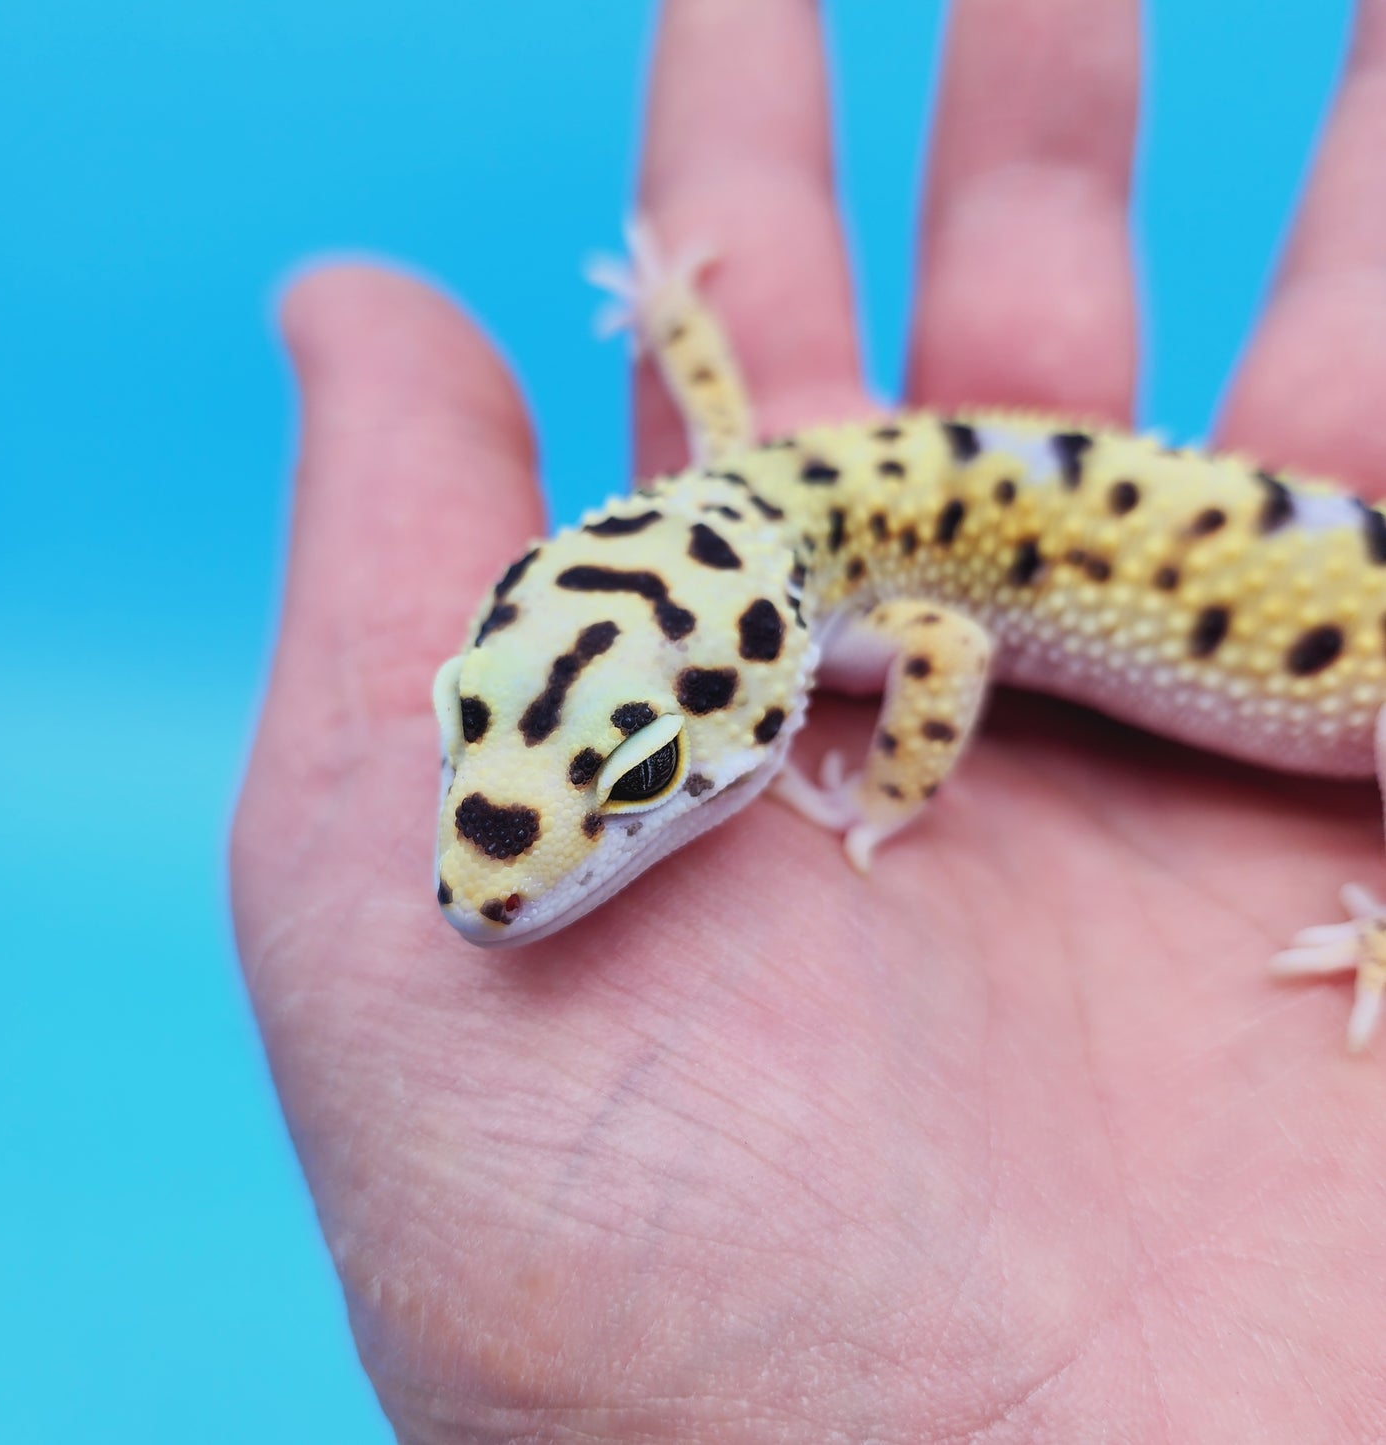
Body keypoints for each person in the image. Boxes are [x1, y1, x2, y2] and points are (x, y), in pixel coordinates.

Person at [231, 1, 1386, 1437]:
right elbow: (728, 433)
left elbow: (947, 644)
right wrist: (672, 321)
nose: (501, 866)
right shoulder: (752, 513)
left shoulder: (829, 587)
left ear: (777, 670)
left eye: (636, 777)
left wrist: (885, 800)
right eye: (481, 715)